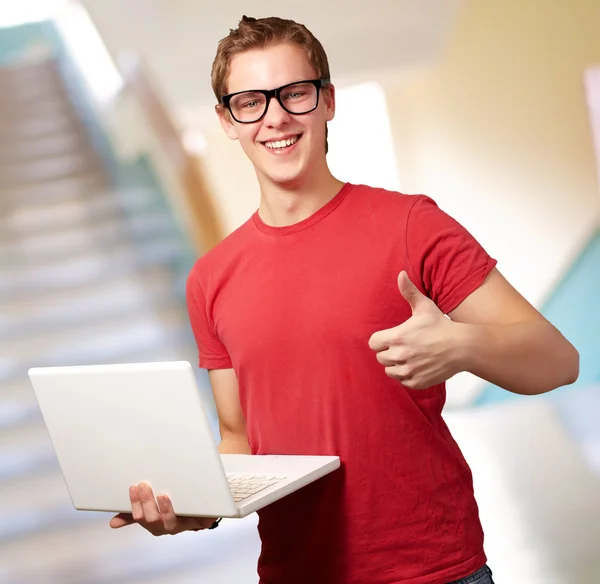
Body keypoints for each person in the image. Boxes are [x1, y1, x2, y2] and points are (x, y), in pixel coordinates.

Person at [109, 15, 580, 584]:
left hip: (433, 572)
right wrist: (192, 508)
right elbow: (239, 438)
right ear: (227, 121)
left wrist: (461, 346)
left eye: (295, 94)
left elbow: (558, 360)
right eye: (251, 101)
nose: (276, 117)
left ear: (328, 101)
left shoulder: (412, 226)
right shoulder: (211, 278)